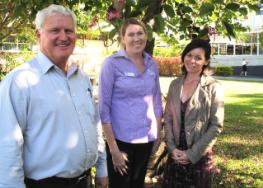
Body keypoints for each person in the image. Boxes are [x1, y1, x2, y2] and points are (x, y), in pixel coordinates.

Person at [0, 4, 108, 188]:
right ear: (38, 34)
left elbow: (93, 124)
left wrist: (102, 168)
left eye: (69, 30)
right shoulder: (20, 81)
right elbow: (7, 148)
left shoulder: (81, 78)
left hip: (84, 181)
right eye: (55, 30)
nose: (64, 37)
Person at [98, 17, 163, 188]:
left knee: (137, 184)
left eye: (140, 33)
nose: (136, 38)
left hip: (146, 139)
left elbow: (156, 100)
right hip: (120, 141)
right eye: (131, 34)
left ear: (146, 36)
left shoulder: (151, 64)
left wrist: (158, 134)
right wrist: (113, 150)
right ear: (123, 39)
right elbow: (104, 109)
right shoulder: (111, 64)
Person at [162, 39, 224, 188]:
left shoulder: (213, 87)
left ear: (206, 61)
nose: (192, 60)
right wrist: (172, 148)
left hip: (199, 158)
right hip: (175, 156)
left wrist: (191, 154)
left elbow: (216, 126)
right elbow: (168, 118)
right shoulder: (175, 84)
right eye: (189, 55)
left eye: (198, 57)